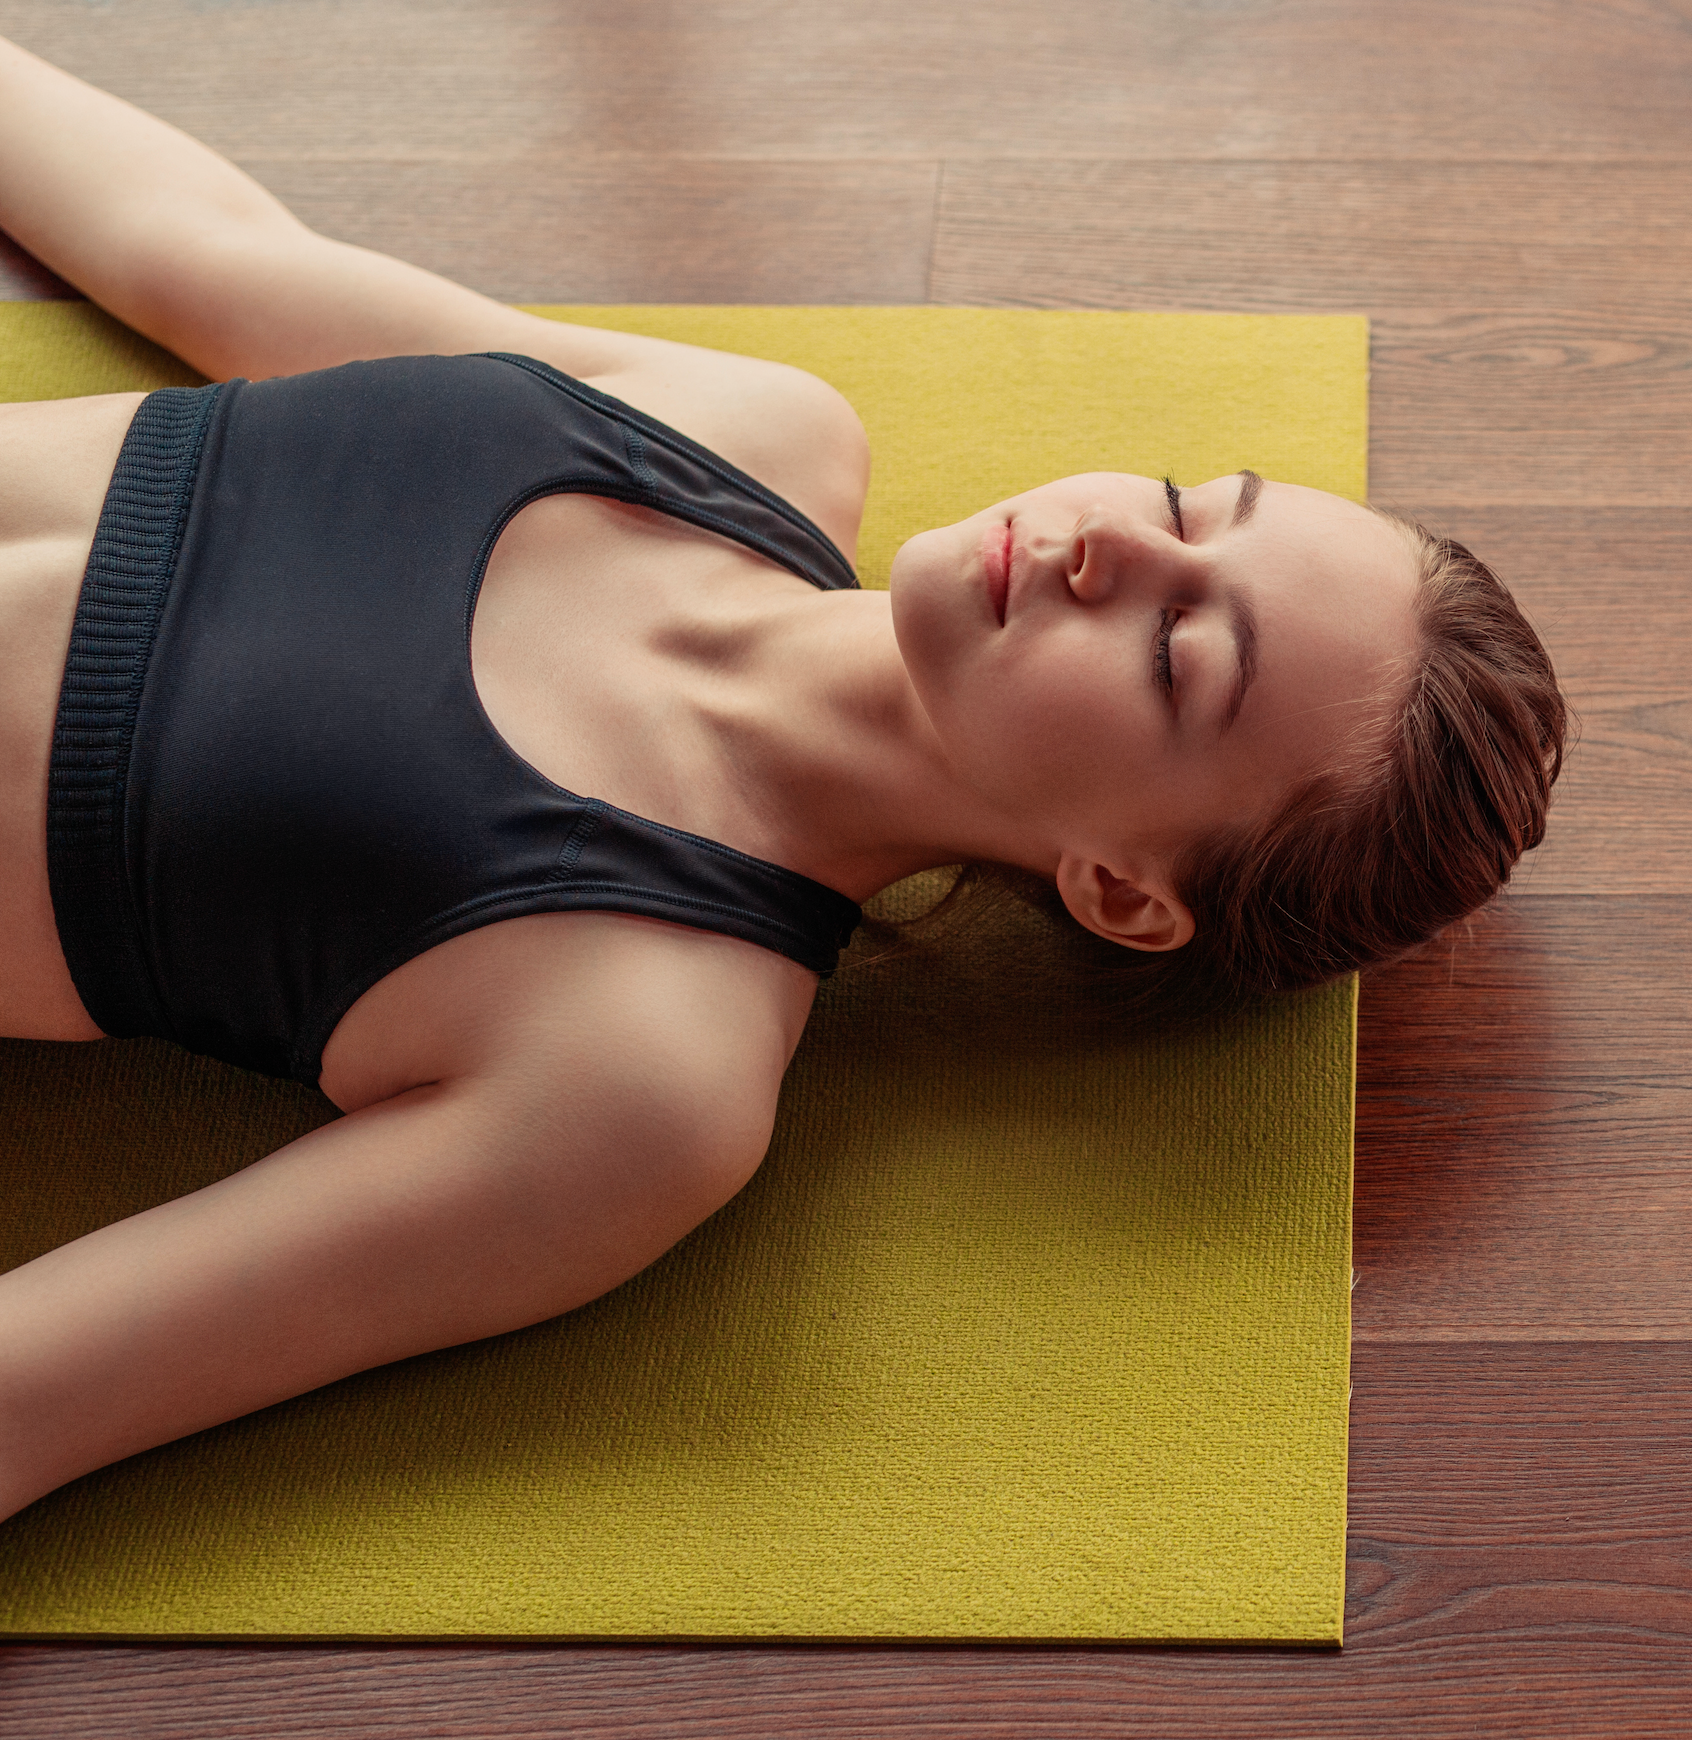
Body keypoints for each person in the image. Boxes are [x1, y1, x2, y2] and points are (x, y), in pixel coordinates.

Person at [0, 37, 1566, 1524]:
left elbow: (39, 1389)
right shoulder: (744, 431)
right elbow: (195, 248)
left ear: (1117, 887)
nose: (1116, 544)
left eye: (1177, 654)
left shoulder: (638, 1073)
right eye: (1187, 504)